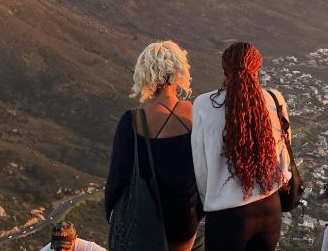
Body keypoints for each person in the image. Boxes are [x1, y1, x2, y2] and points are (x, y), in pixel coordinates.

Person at [192, 42, 292, 251]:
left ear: (224, 70)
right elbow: (285, 157)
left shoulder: (203, 104)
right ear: (258, 69)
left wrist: (208, 201)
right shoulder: (275, 99)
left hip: (227, 214)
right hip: (270, 208)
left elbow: (200, 167)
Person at [105, 40, 201, 251]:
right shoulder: (195, 114)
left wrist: (115, 216)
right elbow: (205, 171)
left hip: (143, 218)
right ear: (179, 71)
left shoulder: (131, 121)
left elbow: (118, 177)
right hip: (183, 216)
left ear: (144, 73)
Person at [40, 221, 106, 251]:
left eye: (66, 248)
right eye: (58, 248)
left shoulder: (88, 247)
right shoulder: (48, 249)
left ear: (75, 239)